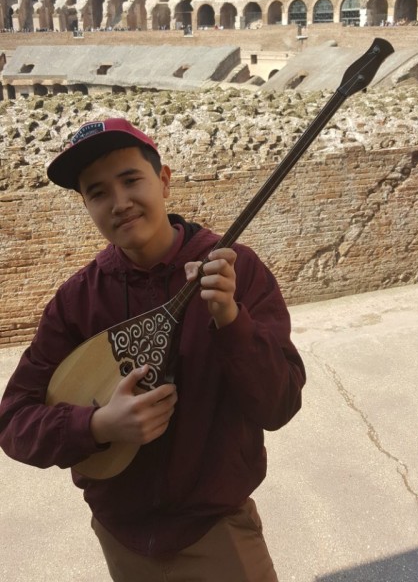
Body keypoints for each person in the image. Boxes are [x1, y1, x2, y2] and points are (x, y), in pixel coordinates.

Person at [0, 117, 306, 582]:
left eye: (131, 180)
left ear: (163, 180)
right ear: (86, 205)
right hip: (120, 536)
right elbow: (14, 421)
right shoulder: (78, 300)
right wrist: (98, 425)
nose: (119, 202)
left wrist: (230, 319)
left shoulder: (237, 268)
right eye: (98, 192)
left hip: (217, 531)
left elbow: (280, 405)